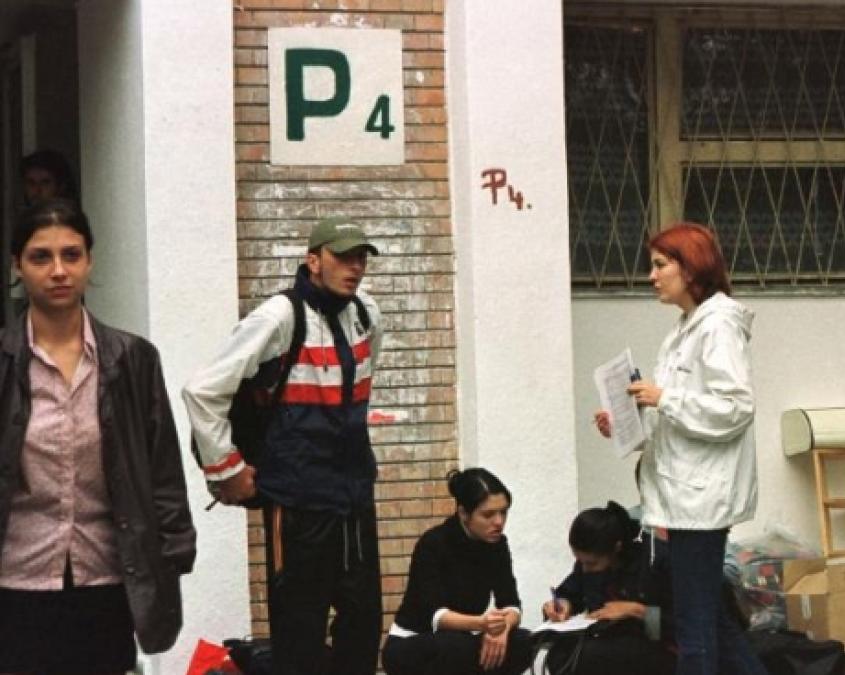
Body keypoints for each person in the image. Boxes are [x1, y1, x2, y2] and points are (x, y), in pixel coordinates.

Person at [0, 198, 196, 674]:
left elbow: (161, 468)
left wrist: (172, 554)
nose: (58, 270)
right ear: (17, 267)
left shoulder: (132, 359)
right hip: (16, 582)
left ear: (90, 260)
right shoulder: (5, 362)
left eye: (71, 254)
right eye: (41, 257)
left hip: (108, 577)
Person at [183, 217, 384, 675]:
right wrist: (226, 468)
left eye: (361, 258)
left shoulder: (368, 313)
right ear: (313, 260)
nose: (354, 267)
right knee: (300, 641)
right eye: (342, 256)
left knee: (361, 636)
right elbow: (202, 390)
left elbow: (359, 391)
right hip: (297, 504)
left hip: (354, 499)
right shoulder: (280, 316)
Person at [595, 222, 766, 675]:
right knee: (709, 620)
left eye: (660, 264)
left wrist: (663, 398)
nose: (651, 276)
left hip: (699, 501)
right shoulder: (684, 329)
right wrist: (624, 426)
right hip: (680, 497)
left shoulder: (718, 326)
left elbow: (735, 407)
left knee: (695, 630)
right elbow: (680, 423)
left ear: (691, 268)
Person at [382, 468, 533, 675]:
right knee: (456, 646)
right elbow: (436, 615)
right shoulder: (433, 543)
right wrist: (483, 624)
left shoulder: (497, 545)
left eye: (503, 512)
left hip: (463, 638)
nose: (499, 522)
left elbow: (511, 604)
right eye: (488, 514)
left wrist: (502, 628)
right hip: (414, 641)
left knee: (523, 641)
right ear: (463, 513)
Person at [541, 502, 675, 675]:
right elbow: (570, 591)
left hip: (655, 645)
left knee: (588, 657)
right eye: (580, 561)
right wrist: (561, 604)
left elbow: (681, 625)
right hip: (608, 638)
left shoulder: (655, 560)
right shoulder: (589, 562)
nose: (585, 569)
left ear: (616, 548)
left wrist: (637, 611)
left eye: (591, 563)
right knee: (559, 655)